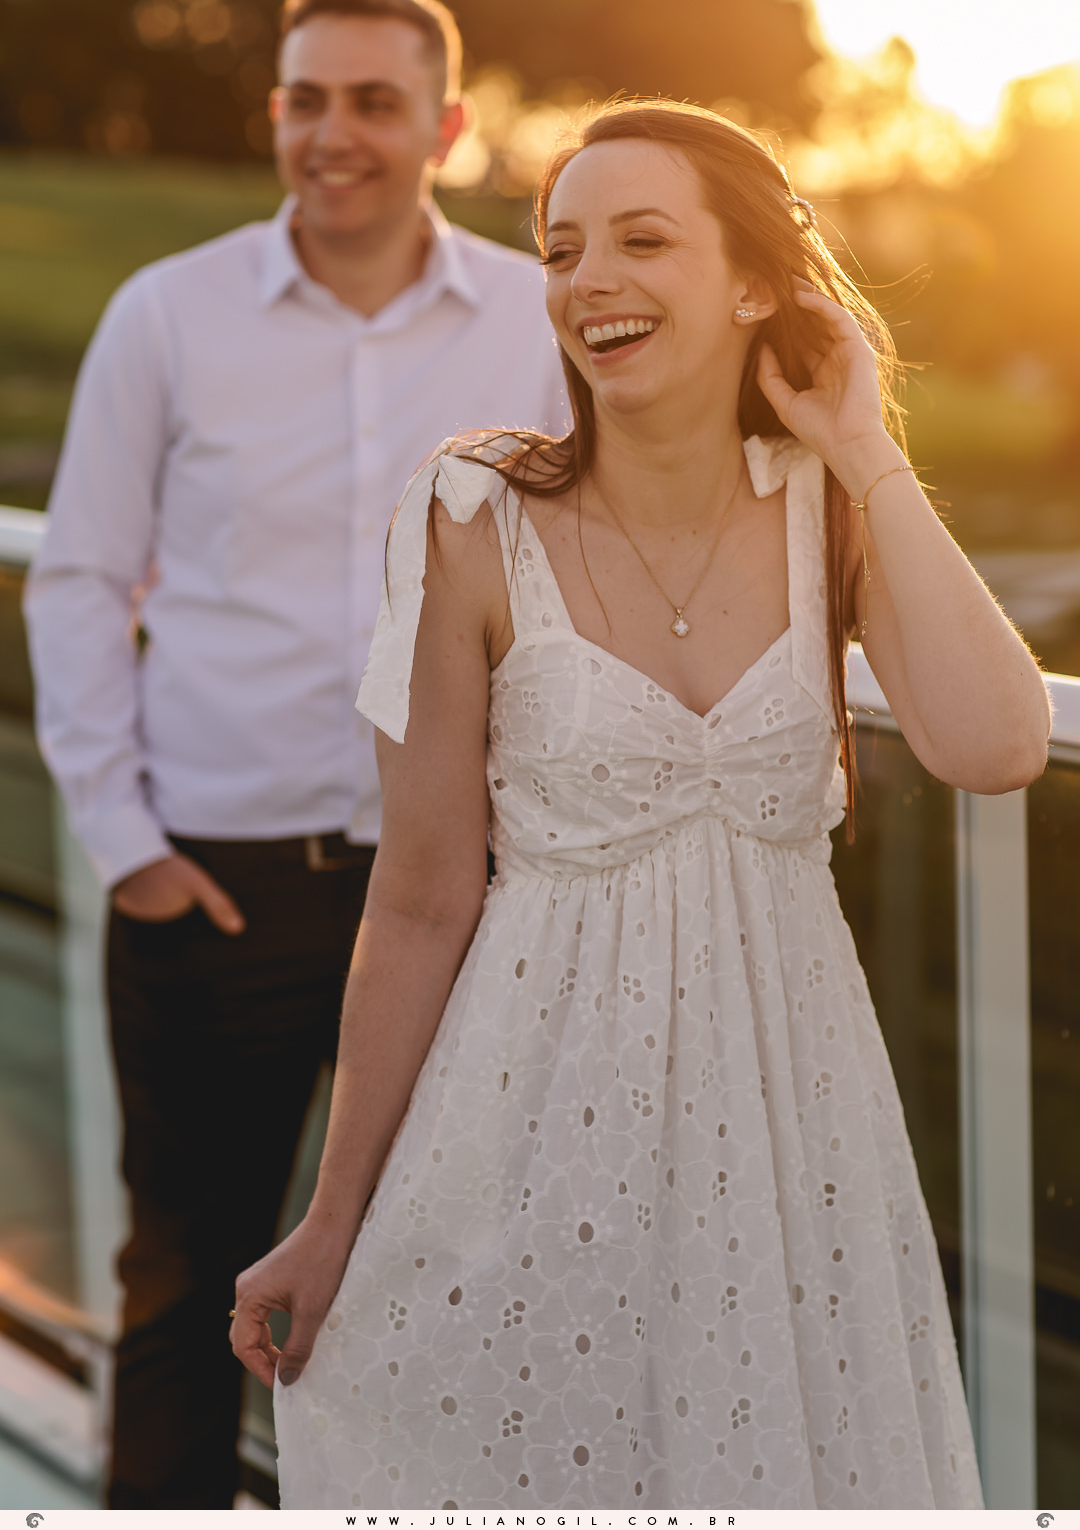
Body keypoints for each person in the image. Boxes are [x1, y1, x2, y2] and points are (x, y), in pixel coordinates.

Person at [231, 100, 1049, 1509]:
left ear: (751, 283)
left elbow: (996, 741)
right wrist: (331, 1214)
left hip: (791, 1141)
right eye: (561, 249)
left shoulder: (827, 508)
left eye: (642, 239)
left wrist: (865, 443)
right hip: (528, 1127)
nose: (586, 278)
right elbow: (423, 895)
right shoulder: (469, 514)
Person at [25, 0, 566, 1509]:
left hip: (468, 893)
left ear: (447, 130)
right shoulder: (169, 314)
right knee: (187, 1270)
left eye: (373, 102)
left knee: (454, 1277)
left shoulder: (538, 323)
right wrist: (129, 847)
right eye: (303, 100)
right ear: (275, 113)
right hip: (219, 883)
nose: (332, 134)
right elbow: (76, 579)